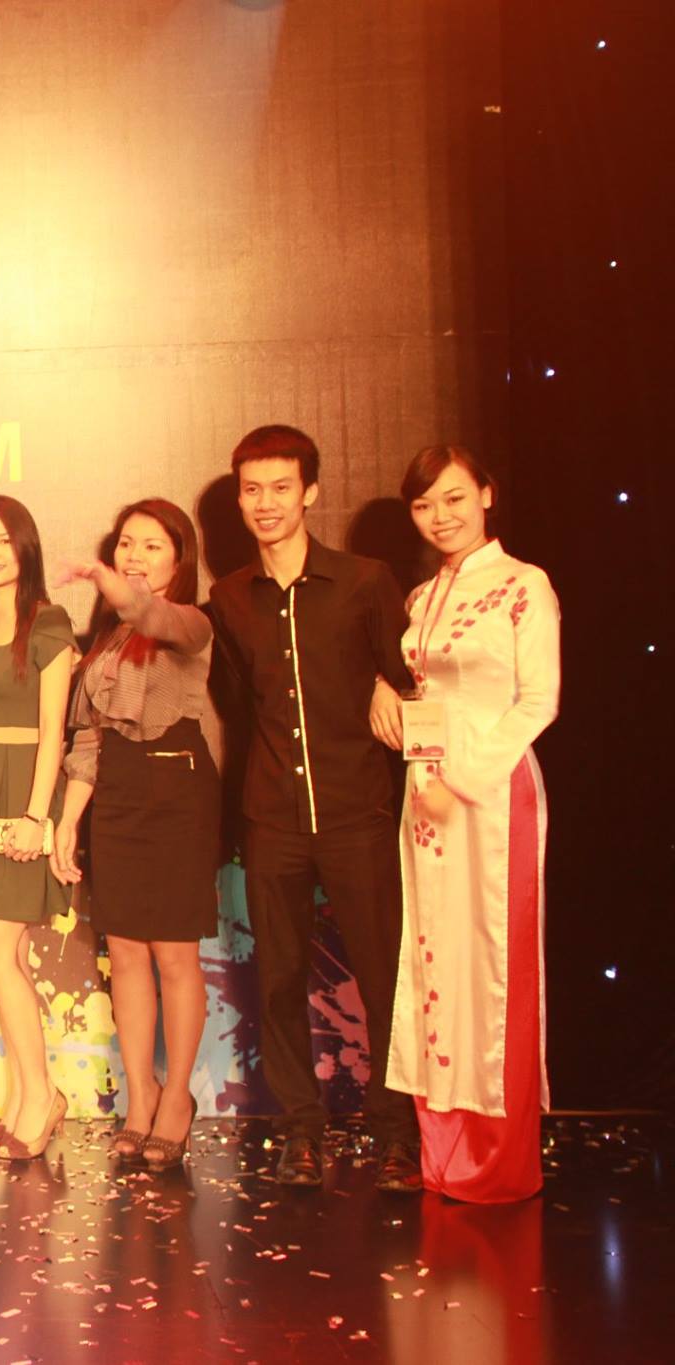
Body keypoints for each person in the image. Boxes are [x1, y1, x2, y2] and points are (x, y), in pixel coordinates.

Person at [207, 424, 423, 1193]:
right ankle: (301, 1131)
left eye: (280, 487)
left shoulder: (364, 581)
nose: (265, 503)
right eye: (252, 490)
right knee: (278, 978)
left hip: (358, 809)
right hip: (272, 816)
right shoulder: (229, 597)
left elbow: (409, 676)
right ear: (239, 500)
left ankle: (397, 1134)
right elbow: (240, 703)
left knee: (383, 974)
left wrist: (388, 684)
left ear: (310, 493)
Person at [380, 448, 558, 1202]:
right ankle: (444, 1154)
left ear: (486, 494)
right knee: (436, 961)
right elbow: (422, 693)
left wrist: (460, 782)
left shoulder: (524, 584)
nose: (441, 516)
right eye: (424, 505)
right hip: (425, 791)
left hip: (491, 792)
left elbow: (538, 700)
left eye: (454, 498)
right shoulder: (422, 596)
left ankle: (498, 1161)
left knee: (493, 964)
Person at [52, 499, 221, 1171]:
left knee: (174, 956)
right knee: (124, 954)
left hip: (177, 791)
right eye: (127, 543)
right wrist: (69, 819)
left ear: (179, 560)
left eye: (153, 545)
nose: (136, 555)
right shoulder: (106, 642)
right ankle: (140, 1096)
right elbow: (88, 738)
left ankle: (177, 1097)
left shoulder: (190, 623)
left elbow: (151, 614)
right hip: (117, 795)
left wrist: (104, 577)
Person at [0, 496, 78, 1161]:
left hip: (24, 793)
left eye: (4, 539)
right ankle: (22, 1096)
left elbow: (54, 729)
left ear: (26, 547)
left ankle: (44, 1098)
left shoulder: (48, 622)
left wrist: (38, 817)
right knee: (12, 956)